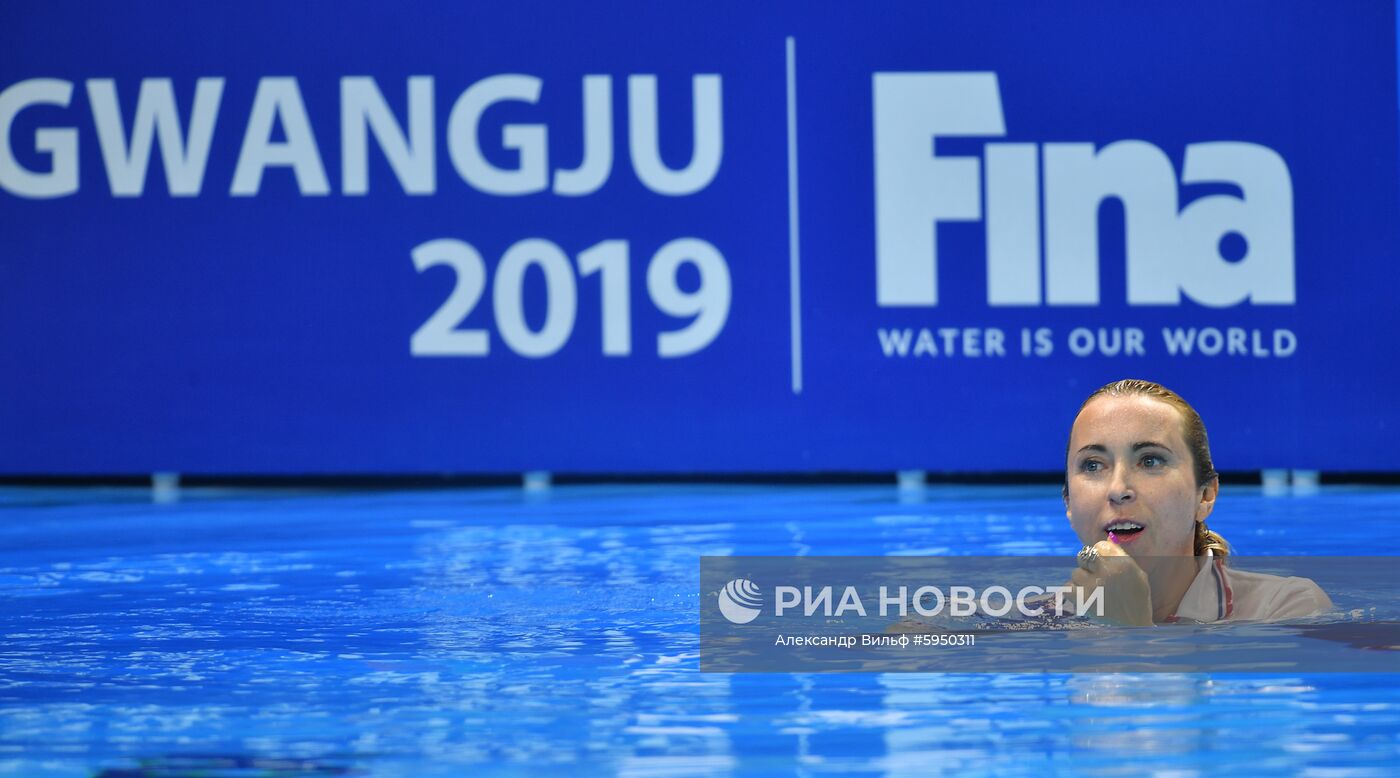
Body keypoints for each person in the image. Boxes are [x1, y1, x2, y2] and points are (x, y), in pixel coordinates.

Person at [1064, 378, 1331, 625]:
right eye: (1093, 465)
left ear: (1205, 495)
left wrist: (1130, 634)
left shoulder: (1285, 609)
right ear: (1068, 503)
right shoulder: (1033, 621)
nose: (1118, 489)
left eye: (1150, 461)